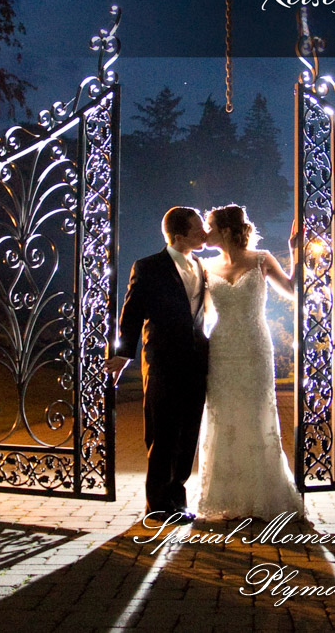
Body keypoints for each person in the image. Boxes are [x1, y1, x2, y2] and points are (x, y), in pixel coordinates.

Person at [192, 204, 305, 522]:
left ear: (226, 230)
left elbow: (294, 290)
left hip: (255, 347)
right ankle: (225, 497)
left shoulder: (261, 259)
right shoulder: (204, 266)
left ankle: (262, 495)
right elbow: (200, 312)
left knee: (256, 416)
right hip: (222, 348)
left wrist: (294, 251)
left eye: (210, 226)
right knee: (223, 418)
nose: (205, 232)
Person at [105, 206, 210, 521]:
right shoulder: (148, 267)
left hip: (197, 361)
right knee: (163, 431)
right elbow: (131, 314)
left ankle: (178, 499)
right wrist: (123, 355)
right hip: (162, 361)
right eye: (198, 227)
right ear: (179, 235)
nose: (204, 232)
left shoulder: (202, 265)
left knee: (189, 431)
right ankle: (157, 506)